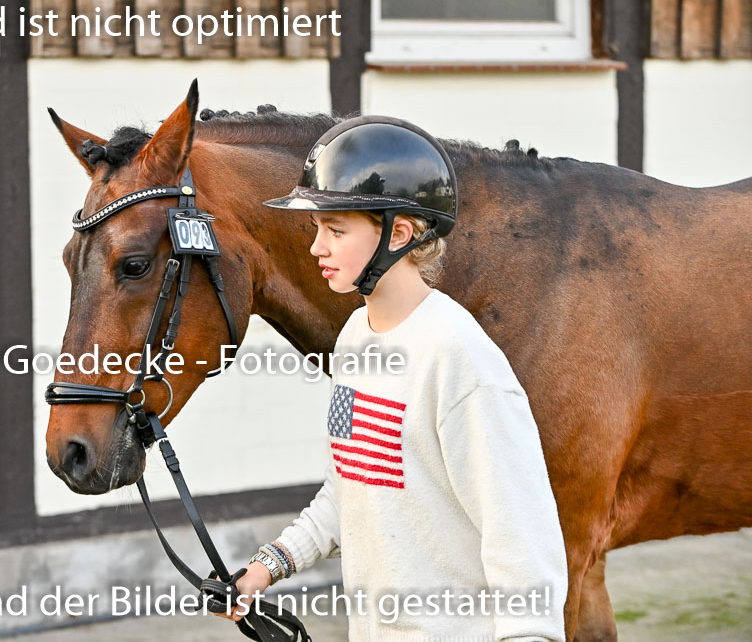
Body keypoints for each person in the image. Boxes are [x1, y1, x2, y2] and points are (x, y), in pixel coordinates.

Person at [220, 116, 569, 641]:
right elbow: (353, 485)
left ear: (399, 234)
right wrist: (266, 567)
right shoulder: (354, 339)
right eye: (317, 229)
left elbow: (521, 536)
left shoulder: (459, 358)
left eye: (336, 230)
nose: (317, 248)